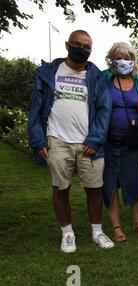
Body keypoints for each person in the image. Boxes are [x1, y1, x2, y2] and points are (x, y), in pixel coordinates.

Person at [28, 30, 114, 253]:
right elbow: (35, 110)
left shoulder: (95, 76)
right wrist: (38, 141)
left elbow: (105, 110)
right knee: (60, 188)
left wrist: (95, 139)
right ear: (67, 45)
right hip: (57, 141)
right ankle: (67, 234)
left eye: (87, 47)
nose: (82, 50)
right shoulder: (47, 73)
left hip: (89, 143)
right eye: (78, 45)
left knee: (95, 189)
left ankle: (97, 232)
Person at [102, 42, 138, 243]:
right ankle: (116, 226)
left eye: (127, 57)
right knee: (111, 183)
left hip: (133, 142)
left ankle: (137, 221)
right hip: (109, 141)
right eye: (119, 57)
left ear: (133, 60)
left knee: (134, 181)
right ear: (112, 60)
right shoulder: (105, 79)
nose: (123, 61)